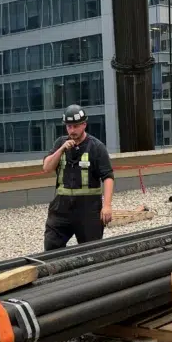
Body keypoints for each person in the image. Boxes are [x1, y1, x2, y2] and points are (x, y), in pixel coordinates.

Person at [40, 105, 115, 250]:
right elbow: (46, 167)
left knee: (91, 252)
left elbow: (108, 177)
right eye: (69, 127)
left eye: (75, 126)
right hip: (61, 208)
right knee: (51, 247)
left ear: (84, 125)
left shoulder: (96, 147)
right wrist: (61, 150)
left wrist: (107, 206)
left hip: (88, 209)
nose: (72, 130)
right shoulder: (60, 143)